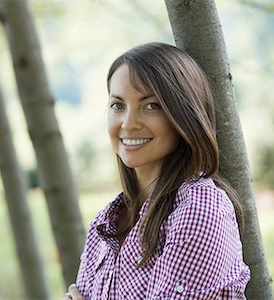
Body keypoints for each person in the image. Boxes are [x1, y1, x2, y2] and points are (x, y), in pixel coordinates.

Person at [62, 42, 250, 300]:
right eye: (118, 105)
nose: (128, 124)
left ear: (184, 114)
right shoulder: (105, 222)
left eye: (151, 105)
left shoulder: (200, 209)